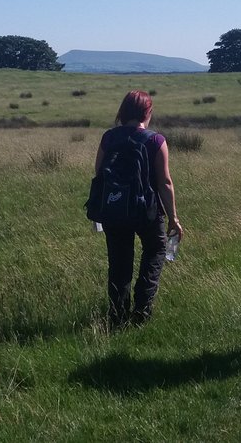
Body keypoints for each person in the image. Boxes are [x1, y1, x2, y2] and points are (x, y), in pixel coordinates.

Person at [94, 90, 184, 328]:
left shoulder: (108, 138)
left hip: (114, 209)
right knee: (155, 251)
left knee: (119, 263)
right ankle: (142, 312)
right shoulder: (156, 140)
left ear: (122, 112)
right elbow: (165, 182)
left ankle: (117, 317)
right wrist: (173, 218)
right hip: (148, 210)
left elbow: (99, 173)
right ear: (148, 112)